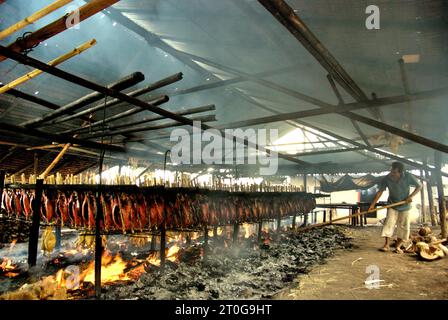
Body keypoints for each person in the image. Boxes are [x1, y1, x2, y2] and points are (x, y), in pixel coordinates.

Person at [369, 162, 422, 253]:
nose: (391, 174)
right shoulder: (387, 178)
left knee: (403, 226)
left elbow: (419, 186)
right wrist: (372, 205)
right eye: (391, 171)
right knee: (389, 223)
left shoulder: (408, 176)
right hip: (392, 204)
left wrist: (411, 197)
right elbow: (380, 192)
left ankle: (398, 246)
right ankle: (386, 245)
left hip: (405, 206)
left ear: (400, 172)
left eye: (394, 172)